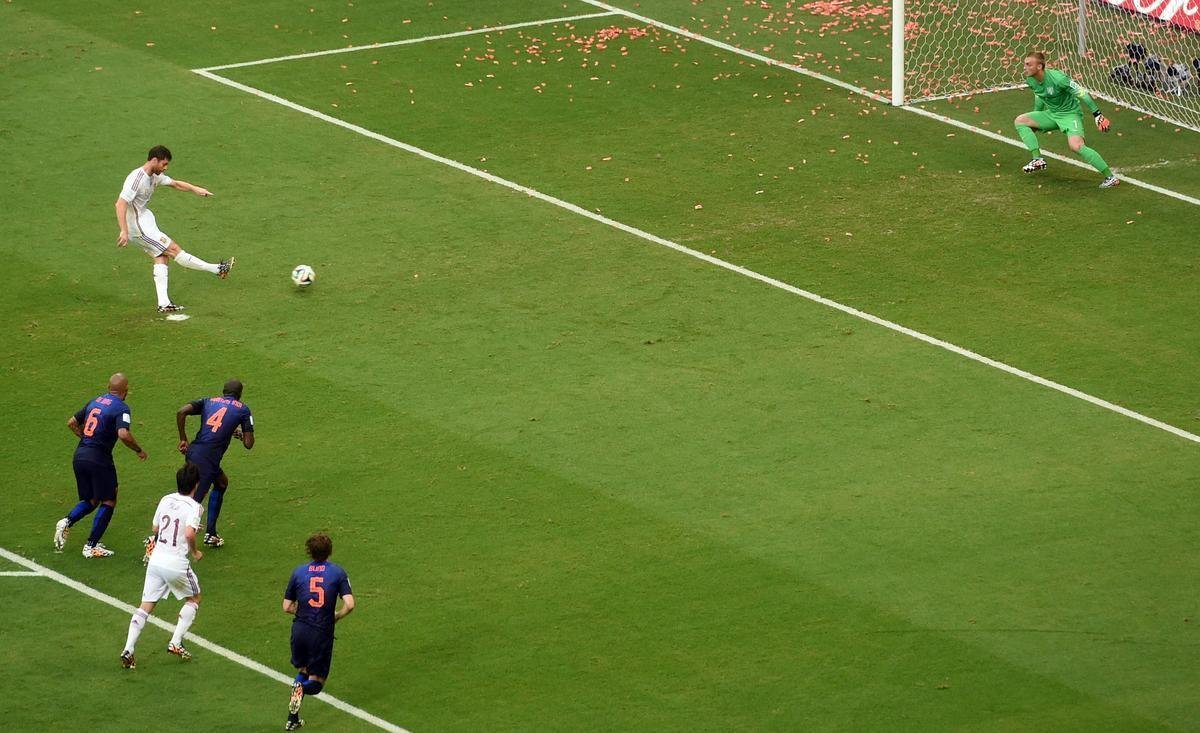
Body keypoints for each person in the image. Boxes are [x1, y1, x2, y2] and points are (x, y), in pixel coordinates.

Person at [116, 145, 234, 313]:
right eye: (164, 164)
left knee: (162, 256)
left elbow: (176, 184)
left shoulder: (155, 176)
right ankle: (217, 269)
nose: (165, 168)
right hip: (137, 227)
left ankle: (164, 303)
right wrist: (124, 231)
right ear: (154, 160)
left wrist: (195, 189)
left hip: (145, 220)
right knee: (173, 249)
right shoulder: (136, 179)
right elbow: (120, 204)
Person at [120, 463, 205, 669]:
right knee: (194, 598)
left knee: (146, 605)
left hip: (156, 560)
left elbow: (156, 527)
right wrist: (195, 551)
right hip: (176, 563)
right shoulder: (195, 507)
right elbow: (189, 534)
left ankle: (128, 649)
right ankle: (175, 641)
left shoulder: (166, 499)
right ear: (196, 485)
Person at [53, 373, 147, 558]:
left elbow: (71, 423)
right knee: (109, 499)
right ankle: (91, 546)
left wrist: (87, 439)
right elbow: (123, 434)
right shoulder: (122, 408)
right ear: (126, 391)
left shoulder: (94, 401)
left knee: (91, 500)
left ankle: (66, 521)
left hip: (80, 455)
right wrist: (138, 450)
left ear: (108, 386)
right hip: (99, 459)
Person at [283, 533, 355, 731]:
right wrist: (337, 616)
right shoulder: (337, 573)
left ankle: (292, 719)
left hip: (299, 630)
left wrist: (305, 610)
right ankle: (301, 688)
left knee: (303, 670)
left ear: (310, 551)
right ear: (329, 551)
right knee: (316, 682)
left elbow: (286, 606)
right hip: (320, 632)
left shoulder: (298, 572)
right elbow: (350, 604)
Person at [1014, 52, 1119, 189]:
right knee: (1021, 121)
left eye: (1029, 64)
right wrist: (1037, 116)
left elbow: (1082, 93)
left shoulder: (1058, 78)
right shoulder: (1031, 79)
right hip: (1052, 114)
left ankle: (1110, 177)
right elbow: (1040, 95)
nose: (1025, 67)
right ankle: (1037, 159)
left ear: (1039, 66)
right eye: (1025, 64)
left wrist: (1097, 114)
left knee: (1076, 146)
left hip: (1070, 115)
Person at [176, 379, 255, 547]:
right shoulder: (243, 410)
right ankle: (160, 540)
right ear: (239, 394)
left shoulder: (208, 401)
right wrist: (241, 434)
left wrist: (183, 438)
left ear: (223, 391)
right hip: (208, 459)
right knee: (192, 503)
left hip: (195, 451)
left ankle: (211, 533)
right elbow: (249, 444)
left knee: (221, 483)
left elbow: (182, 411)